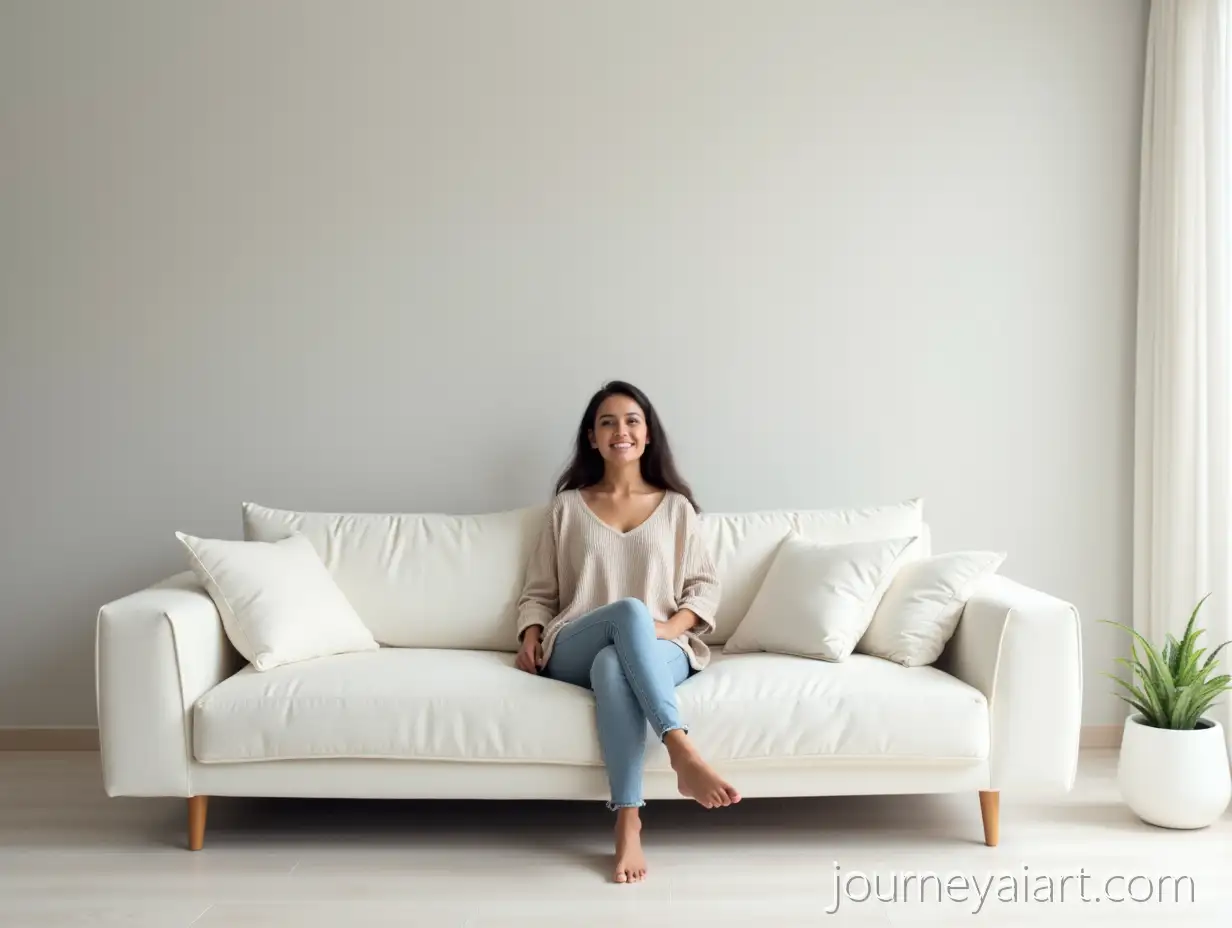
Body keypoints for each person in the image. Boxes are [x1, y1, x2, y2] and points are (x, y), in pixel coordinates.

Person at [514, 380, 740, 884]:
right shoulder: (567, 508)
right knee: (627, 616)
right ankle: (681, 749)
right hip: (577, 638)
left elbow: (703, 589)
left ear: (648, 434)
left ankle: (628, 823)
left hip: (663, 648)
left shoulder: (677, 508)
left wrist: (668, 628)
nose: (622, 430)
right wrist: (530, 634)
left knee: (616, 662)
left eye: (632, 420)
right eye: (608, 422)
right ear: (592, 437)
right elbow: (539, 591)